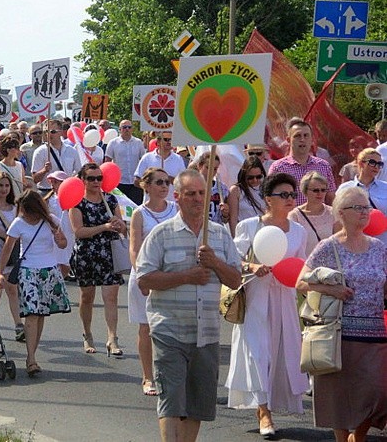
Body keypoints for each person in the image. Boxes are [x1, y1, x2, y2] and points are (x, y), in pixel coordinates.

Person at [136, 169, 242, 442]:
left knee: (196, 404)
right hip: (169, 329)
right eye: (191, 194)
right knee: (171, 400)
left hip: (206, 332)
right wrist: (186, 276)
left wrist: (215, 263)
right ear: (178, 197)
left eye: (201, 193)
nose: (198, 199)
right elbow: (145, 279)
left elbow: (236, 280)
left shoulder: (219, 235)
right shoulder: (161, 234)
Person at [297, 187, 387, 442]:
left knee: (377, 393)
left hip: (374, 334)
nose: (364, 212)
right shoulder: (328, 247)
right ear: (341, 213)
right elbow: (301, 282)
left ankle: (357, 437)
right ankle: (342, 438)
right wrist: (331, 289)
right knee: (339, 393)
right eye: (357, 208)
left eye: (366, 207)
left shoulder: (379, 248)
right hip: (338, 333)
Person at [226, 173, 309, 437]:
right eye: (283, 195)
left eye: (292, 195)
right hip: (256, 297)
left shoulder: (299, 231)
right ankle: (264, 413)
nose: (289, 200)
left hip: (284, 299)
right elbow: (232, 260)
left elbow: (301, 267)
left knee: (281, 354)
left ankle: (274, 403)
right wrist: (251, 266)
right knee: (258, 354)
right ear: (267, 199)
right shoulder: (249, 227)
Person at [0, 190, 70, 377]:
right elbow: (8, 248)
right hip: (28, 271)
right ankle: (31, 358)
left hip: (49, 270)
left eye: (26, 210)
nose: (24, 213)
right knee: (32, 313)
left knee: (41, 314)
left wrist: (59, 238)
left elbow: (63, 244)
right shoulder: (18, 223)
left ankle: (32, 354)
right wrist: (0, 272)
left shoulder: (51, 220)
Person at [128, 167, 177, 396]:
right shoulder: (139, 213)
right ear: (146, 186)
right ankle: (148, 377)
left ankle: (170, 374)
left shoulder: (176, 210)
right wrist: (142, 275)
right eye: (159, 182)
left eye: (166, 182)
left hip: (170, 275)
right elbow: (134, 247)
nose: (164, 186)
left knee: (171, 328)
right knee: (146, 327)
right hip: (146, 275)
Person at [69, 163, 127, 356]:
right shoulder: (77, 202)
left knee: (111, 296)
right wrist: (103, 227)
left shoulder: (110, 200)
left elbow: (122, 228)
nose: (96, 182)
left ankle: (112, 338)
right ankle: (87, 334)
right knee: (87, 297)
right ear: (83, 181)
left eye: (99, 178)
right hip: (87, 254)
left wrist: (119, 225)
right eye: (91, 178)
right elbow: (78, 231)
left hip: (109, 253)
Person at [268, 117, 336, 205]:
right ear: (288, 140)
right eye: (297, 136)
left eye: (306, 135)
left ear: (311, 139)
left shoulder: (323, 165)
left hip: (318, 217)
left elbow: (330, 198)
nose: (302, 139)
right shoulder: (278, 168)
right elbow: (271, 198)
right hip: (289, 217)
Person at [337, 148, 387, 245]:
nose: (376, 166)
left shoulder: (385, 188)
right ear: (360, 163)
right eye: (372, 162)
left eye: (380, 164)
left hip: (382, 243)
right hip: (354, 244)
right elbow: (338, 216)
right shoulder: (345, 188)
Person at [289, 171, 339, 257]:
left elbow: (339, 243)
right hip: (305, 265)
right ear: (305, 191)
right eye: (315, 190)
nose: (320, 193)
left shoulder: (333, 213)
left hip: (329, 266)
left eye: (323, 190)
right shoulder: (295, 215)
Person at [31, 119, 82, 194]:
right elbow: (35, 179)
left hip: (66, 191)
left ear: (61, 132)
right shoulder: (40, 152)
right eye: (46, 131)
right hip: (47, 192)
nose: (49, 134)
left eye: (52, 132)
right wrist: (44, 170)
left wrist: (70, 182)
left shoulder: (72, 151)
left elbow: (79, 172)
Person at [134, 131, 186, 201]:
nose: (169, 142)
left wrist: (171, 180)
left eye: (171, 140)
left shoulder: (178, 159)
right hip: (150, 204)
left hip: (171, 204)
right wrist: (150, 184)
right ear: (158, 141)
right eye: (166, 139)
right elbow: (136, 181)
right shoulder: (147, 158)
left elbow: (183, 182)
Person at [104, 119, 146, 204]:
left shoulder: (138, 142)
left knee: (135, 207)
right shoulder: (113, 143)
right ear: (119, 129)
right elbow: (107, 162)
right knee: (121, 208)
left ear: (132, 129)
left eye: (129, 127)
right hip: (119, 182)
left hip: (135, 183)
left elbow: (143, 161)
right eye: (124, 127)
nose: (127, 129)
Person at [227, 157, 267, 237]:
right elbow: (233, 219)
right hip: (244, 234)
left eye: (258, 176)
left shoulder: (266, 188)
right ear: (244, 175)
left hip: (264, 233)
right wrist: (235, 239)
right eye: (250, 177)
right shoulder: (236, 190)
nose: (255, 180)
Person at [192, 152, 229, 225]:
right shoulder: (190, 187)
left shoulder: (222, 189)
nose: (211, 171)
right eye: (208, 167)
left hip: (215, 231)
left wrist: (225, 213)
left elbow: (225, 220)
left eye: (215, 169)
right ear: (199, 166)